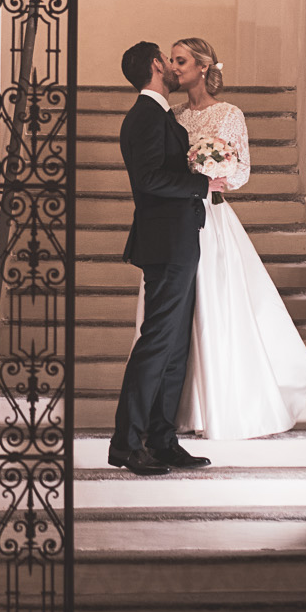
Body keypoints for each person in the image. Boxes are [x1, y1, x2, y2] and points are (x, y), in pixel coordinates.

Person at [164, 36, 306, 440]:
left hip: (213, 217)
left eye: (181, 60)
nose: (173, 67)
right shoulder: (174, 116)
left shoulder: (229, 114)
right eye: (171, 60)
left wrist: (214, 175)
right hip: (179, 218)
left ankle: (224, 400)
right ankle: (189, 404)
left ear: (203, 66)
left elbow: (242, 171)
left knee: (217, 305)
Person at [108, 39, 225, 475]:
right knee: (157, 344)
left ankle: (161, 440)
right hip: (166, 244)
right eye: (169, 61)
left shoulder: (159, 116)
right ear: (157, 65)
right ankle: (125, 443)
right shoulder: (145, 117)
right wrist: (202, 185)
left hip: (178, 241)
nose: (175, 69)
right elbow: (151, 178)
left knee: (174, 348)